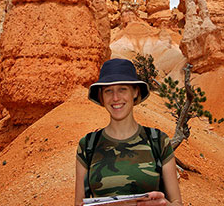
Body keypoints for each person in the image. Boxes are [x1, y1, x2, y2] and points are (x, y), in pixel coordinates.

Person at [74, 58, 183, 206]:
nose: (115, 98)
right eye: (108, 91)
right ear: (101, 96)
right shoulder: (88, 145)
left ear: (135, 92)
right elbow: (79, 203)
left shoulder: (158, 141)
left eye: (122, 89)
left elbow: (177, 202)